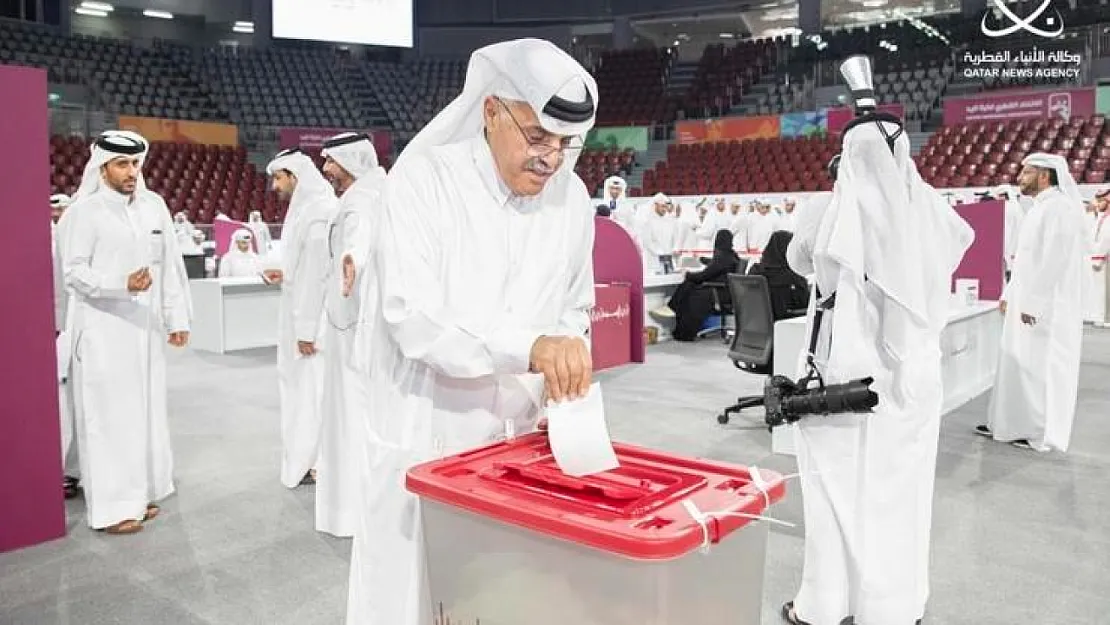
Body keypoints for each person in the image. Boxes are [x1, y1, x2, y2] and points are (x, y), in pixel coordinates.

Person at [345, 38, 598, 625]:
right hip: (426, 428)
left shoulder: (574, 199)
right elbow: (413, 316)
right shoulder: (424, 180)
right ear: (490, 110)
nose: (552, 159)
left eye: (565, 143)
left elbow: (575, 306)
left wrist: (566, 352)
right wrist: (530, 347)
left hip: (519, 438)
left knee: (501, 593)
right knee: (410, 593)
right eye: (538, 137)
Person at [784, 55, 973, 625]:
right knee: (900, 499)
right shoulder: (931, 209)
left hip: (846, 385)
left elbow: (799, 259)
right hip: (912, 384)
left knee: (835, 499)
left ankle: (825, 606)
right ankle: (891, 608)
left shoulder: (834, 210)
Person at [60, 131, 193, 535]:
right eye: (123, 165)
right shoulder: (83, 213)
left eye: (136, 164)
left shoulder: (154, 208)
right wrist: (121, 283)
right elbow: (73, 272)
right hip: (103, 331)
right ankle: (113, 509)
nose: (132, 172)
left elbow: (169, 267)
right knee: (109, 418)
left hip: (145, 332)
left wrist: (177, 319)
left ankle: (138, 495)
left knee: (144, 415)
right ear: (102, 167)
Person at [979, 153, 1086, 453]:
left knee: (1042, 370)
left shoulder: (1060, 210)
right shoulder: (1038, 209)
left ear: (1044, 176)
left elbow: (1054, 262)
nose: (1019, 177)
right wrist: (1009, 295)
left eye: (1026, 172)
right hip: (1025, 304)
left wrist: (1034, 305)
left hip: (1045, 310)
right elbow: (1024, 261)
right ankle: (1012, 424)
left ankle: (1039, 433)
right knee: (1019, 366)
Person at [316, 131, 386, 538]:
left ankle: (351, 511)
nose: (326, 170)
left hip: (353, 326)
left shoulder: (360, 201)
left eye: (332, 163)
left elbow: (357, 242)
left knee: (351, 414)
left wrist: (351, 262)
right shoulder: (377, 192)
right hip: (359, 321)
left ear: (352, 162)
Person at [263, 148, 335, 488]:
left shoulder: (319, 212)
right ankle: (307, 458)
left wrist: (307, 331)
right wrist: (284, 273)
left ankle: (320, 460)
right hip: (299, 317)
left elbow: (316, 277)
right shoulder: (304, 209)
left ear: (295, 176)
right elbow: (301, 269)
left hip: (313, 324)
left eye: (279, 178)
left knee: (313, 393)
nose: (275, 186)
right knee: (300, 391)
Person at [652, 229, 740, 341]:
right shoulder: (730, 256)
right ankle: (672, 307)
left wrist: (687, 274)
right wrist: (703, 260)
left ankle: (678, 319)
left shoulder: (722, 258)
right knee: (690, 284)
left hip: (719, 294)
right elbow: (715, 267)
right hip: (723, 291)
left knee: (692, 289)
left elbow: (703, 275)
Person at [748, 230, 809, 321]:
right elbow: (805, 302)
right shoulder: (792, 277)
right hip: (784, 324)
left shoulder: (754, 271)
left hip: (753, 324)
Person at [1084, 190, 1109, 324]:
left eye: (1101, 201)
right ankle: (1097, 315)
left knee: (1103, 290)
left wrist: (1097, 258)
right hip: (1099, 257)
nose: (1098, 204)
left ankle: (1102, 317)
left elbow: (1105, 238)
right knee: (1098, 289)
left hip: (1104, 259)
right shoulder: (1102, 217)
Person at [993, 184, 1026, 281]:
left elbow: (1006, 229)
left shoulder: (1006, 208)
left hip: (1008, 242)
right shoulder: (1017, 208)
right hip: (1016, 243)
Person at [641, 192, 675, 274]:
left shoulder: (668, 220)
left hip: (668, 259)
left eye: (666, 207)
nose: (664, 209)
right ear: (655, 205)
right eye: (662, 206)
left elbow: (671, 239)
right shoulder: (647, 221)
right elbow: (647, 241)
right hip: (653, 260)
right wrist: (660, 253)